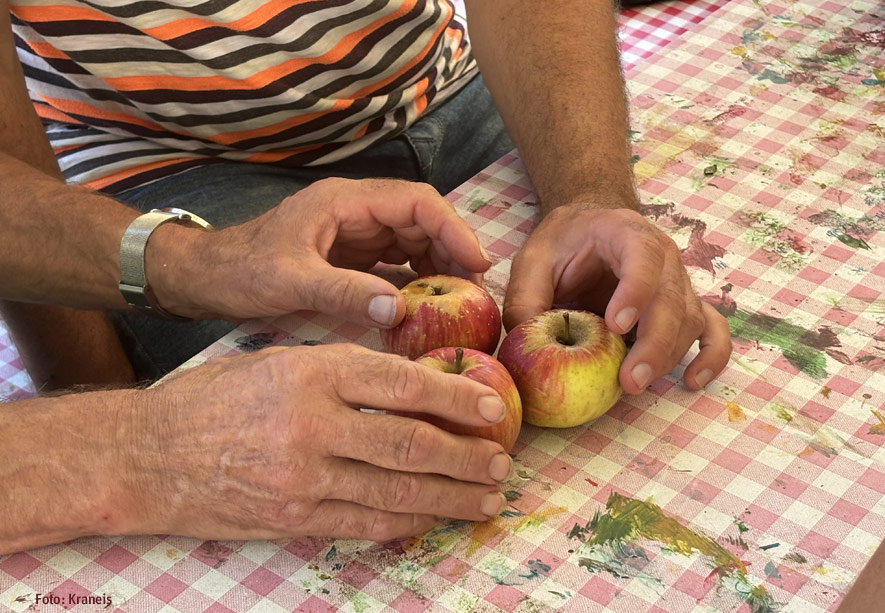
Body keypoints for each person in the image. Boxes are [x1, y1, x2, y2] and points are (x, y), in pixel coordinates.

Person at [0, 0, 732, 552]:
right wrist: (123, 400)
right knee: (299, 456)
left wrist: (589, 189)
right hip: (159, 154)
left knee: (630, 281)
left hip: (443, 80)